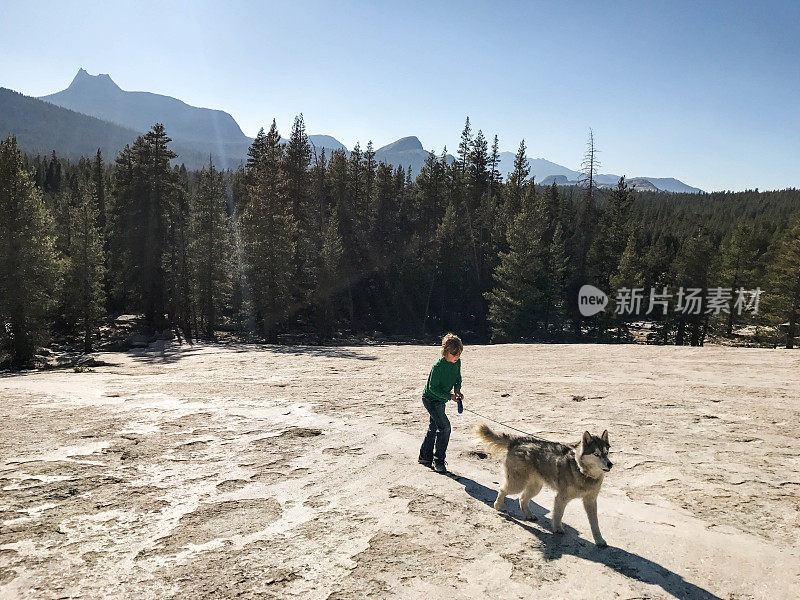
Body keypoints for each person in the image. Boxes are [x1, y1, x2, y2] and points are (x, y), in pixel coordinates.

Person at [418, 333, 464, 473]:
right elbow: (432, 388)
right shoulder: (438, 366)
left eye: (459, 354)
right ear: (445, 352)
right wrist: (449, 396)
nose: (456, 357)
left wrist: (457, 390)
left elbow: (457, 378)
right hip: (430, 399)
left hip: (442, 399)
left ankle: (425, 457)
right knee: (444, 427)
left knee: (434, 427)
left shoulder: (457, 363)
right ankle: (438, 460)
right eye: (453, 354)